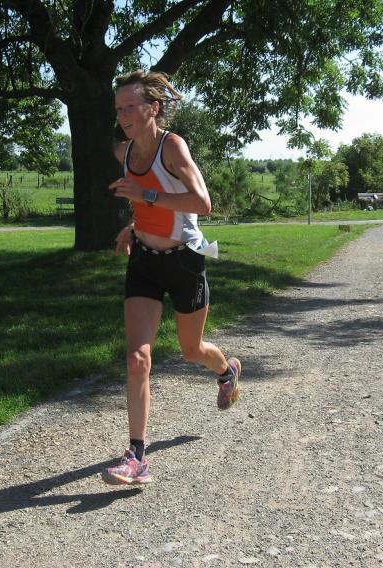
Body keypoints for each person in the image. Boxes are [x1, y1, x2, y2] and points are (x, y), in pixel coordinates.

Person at [102, 70, 242, 486]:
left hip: (185, 261)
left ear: (153, 108)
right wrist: (134, 225)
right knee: (137, 358)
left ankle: (226, 372)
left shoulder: (172, 146)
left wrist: (144, 197)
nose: (123, 115)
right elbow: (147, 199)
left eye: (131, 106)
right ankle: (136, 456)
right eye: (119, 108)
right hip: (144, 261)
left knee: (190, 349)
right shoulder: (124, 151)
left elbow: (202, 202)